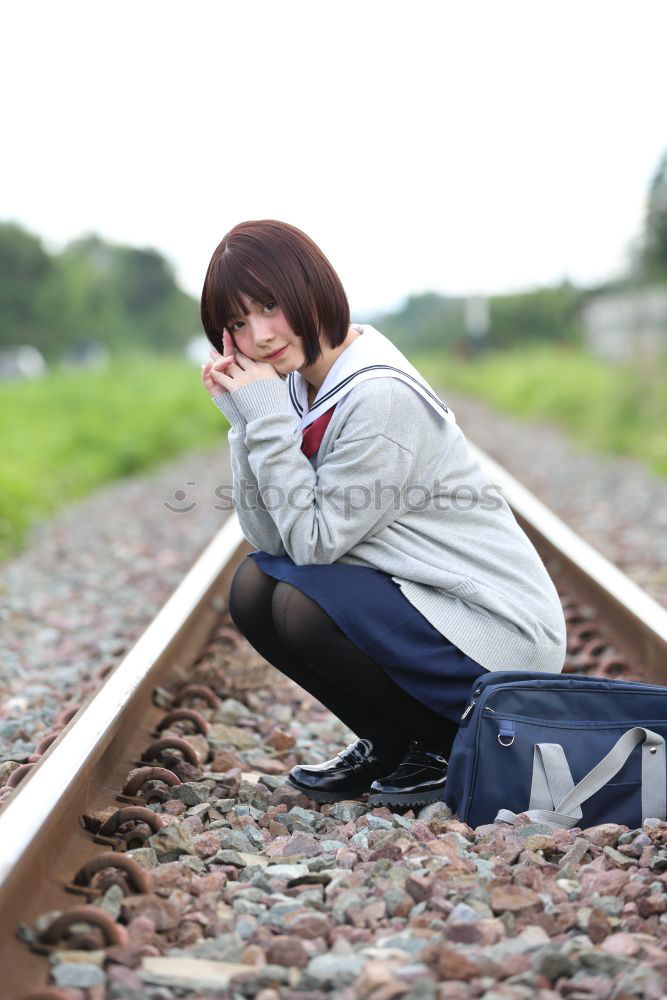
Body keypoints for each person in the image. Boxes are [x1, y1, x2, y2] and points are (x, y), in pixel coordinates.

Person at [199, 219, 567, 808]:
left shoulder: (378, 395)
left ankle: (447, 744)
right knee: (254, 584)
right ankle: (393, 742)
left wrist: (263, 415)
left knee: (300, 604)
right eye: (239, 323)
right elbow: (270, 537)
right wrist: (246, 420)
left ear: (310, 288)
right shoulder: (299, 386)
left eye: (269, 306)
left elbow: (314, 545)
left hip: (493, 628)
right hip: (425, 601)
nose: (261, 335)